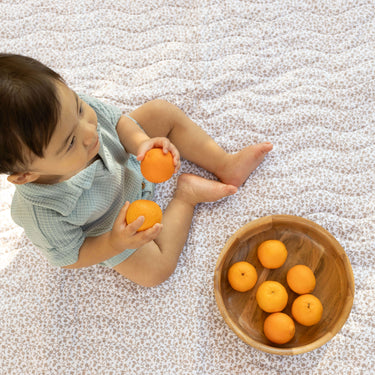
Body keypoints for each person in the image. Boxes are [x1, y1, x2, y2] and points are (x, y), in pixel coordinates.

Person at [0, 53, 273, 287]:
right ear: (26, 175)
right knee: (156, 271)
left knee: (160, 111)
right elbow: (72, 257)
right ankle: (187, 196)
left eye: (80, 108)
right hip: (113, 223)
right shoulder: (43, 214)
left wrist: (142, 143)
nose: (89, 131)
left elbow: (116, 122)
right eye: (70, 142)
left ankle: (225, 163)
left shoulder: (64, 112)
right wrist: (115, 243)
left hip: (128, 157)